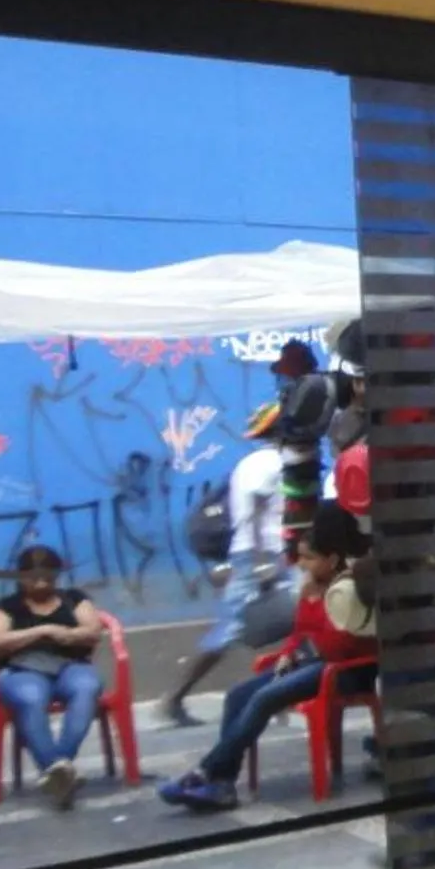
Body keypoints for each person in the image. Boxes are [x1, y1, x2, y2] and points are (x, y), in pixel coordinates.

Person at [158, 502, 378, 813]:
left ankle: (205, 771)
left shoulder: (349, 589)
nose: (301, 565)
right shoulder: (311, 588)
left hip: (343, 670)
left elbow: (341, 645)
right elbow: (300, 635)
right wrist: (288, 655)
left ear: (330, 559)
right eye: (300, 557)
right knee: (237, 695)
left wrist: (311, 631)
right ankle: (223, 784)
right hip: (314, 663)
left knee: (264, 697)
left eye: (309, 558)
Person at [161, 437, 288, 727]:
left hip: (270, 554)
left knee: (296, 621)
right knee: (229, 630)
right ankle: (175, 697)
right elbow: (254, 512)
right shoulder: (266, 462)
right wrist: (262, 563)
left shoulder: (261, 461)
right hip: (262, 554)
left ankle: (282, 695)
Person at [0, 545, 111, 810]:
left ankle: (58, 769)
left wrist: (70, 635)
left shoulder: (74, 598)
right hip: (22, 670)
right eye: (33, 577)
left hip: (69, 665)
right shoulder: (6, 606)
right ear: (21, 577)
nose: (41, 583)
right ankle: (59, 772)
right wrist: (44, 630)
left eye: (48, 577)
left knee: (87, 686)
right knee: (31, 697)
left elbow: (92, 631)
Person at [267, 338, 337, 561]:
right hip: (301, 464)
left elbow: (294, 422)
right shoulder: (316, 384)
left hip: (301, 461)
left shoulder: (312, 385)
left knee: (300, 519)